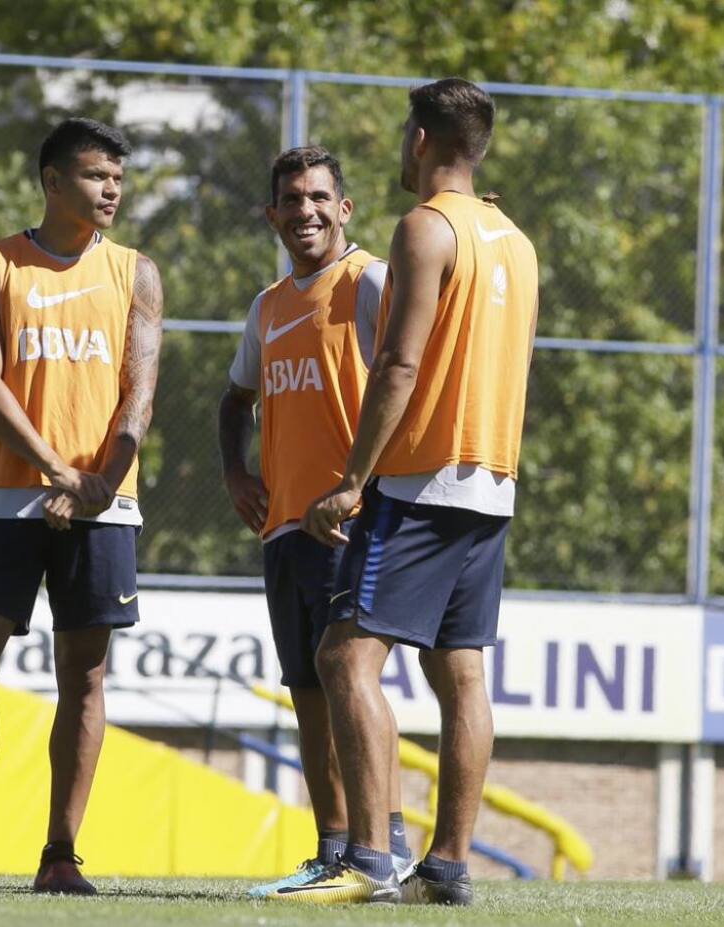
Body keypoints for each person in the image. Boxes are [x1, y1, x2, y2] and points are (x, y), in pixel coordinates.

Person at [283, 79, 540, 906]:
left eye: (405, 131)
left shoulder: (426, 228)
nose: (402, 145)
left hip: (422, 478)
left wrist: (353, 480)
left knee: (342, 655)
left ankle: (368, 857)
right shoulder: (517, 241)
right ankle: (449, 866)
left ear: (423, 137)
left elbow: (398, 365)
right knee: (460, 673)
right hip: (491, 480)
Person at [0, 118, 163, 895]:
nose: (110, 188)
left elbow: (139, 389)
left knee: (84, 676)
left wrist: (100, 480)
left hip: (102, 501)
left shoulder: (137, 272)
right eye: (94, 175)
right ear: (52, 182)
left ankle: (60, 856)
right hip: (10, 497)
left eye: (117, 176)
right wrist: (55, 469)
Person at [218, 146, 414, 899]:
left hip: (352, 521)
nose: (305, 210)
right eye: (291, 200)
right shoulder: (267, 307)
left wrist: (368, 486)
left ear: (345, 208)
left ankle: (385, 843)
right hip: (283, 529)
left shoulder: (368, 282)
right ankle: (334, 847)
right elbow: (234, 399)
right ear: (272, 214)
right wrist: (238, 472)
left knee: (352, 679)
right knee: (307, 689)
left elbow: (411, 373)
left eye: (318, 197)